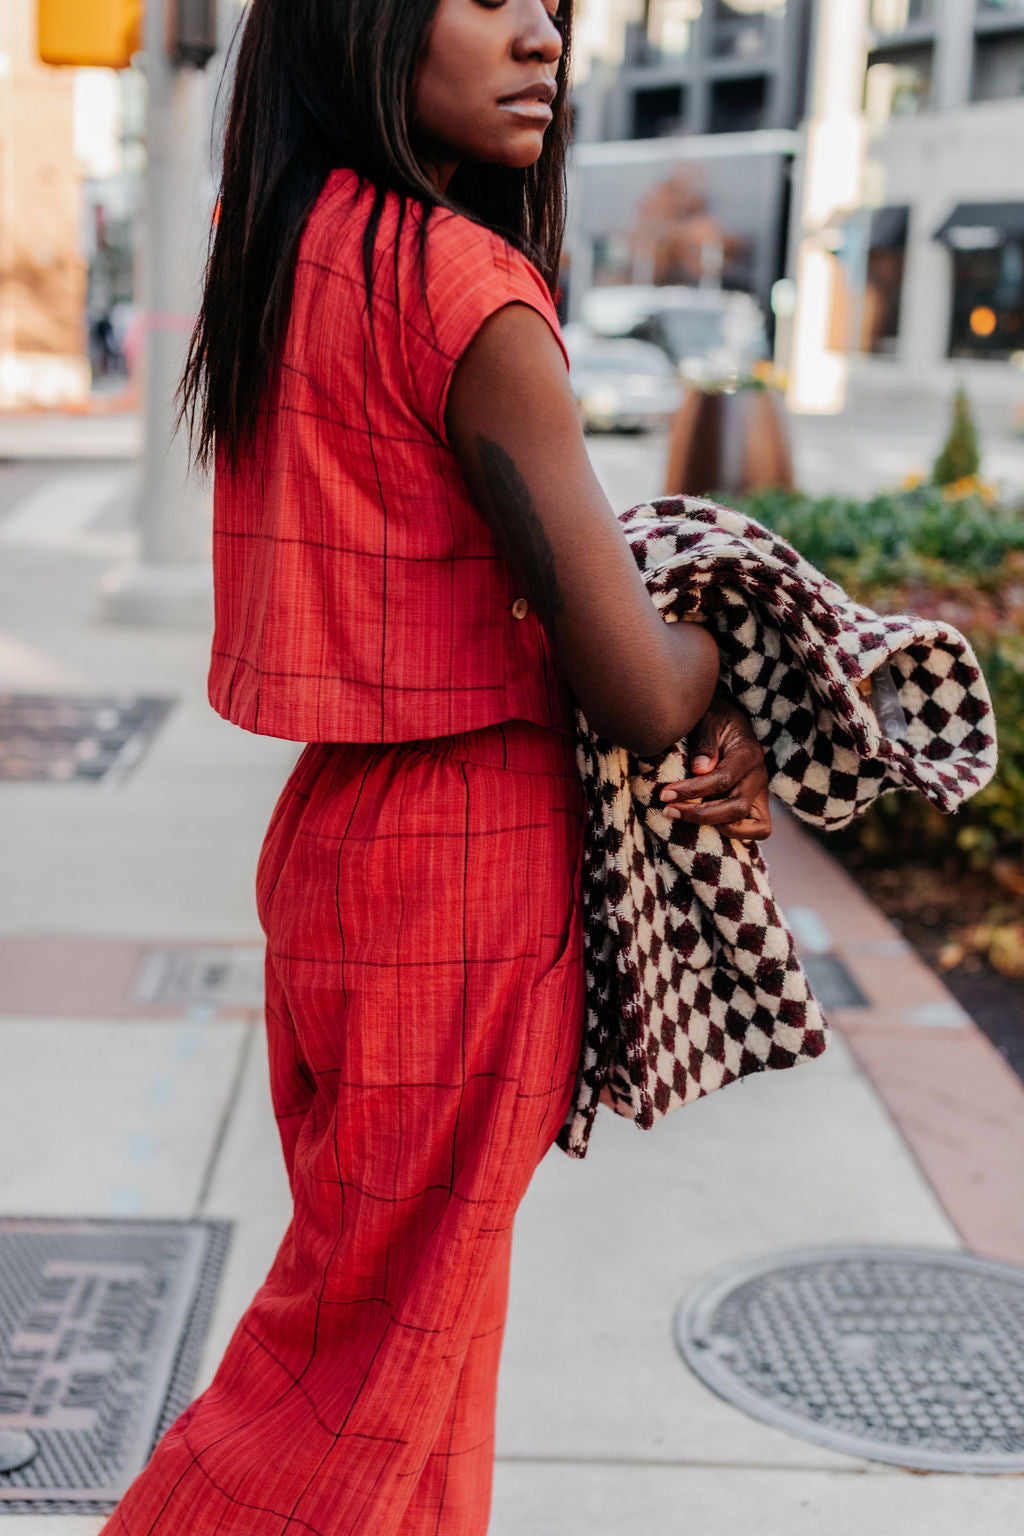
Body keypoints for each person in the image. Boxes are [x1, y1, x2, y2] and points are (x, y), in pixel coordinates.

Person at [101, 1, 770, 1532]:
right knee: (348, 1390)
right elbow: (643, 686)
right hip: (463, 871)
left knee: (411, 1347)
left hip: (335, 849)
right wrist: (726, 654)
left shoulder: (288, 251)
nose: (543, 37)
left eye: (555, 4)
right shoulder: (472, 293)